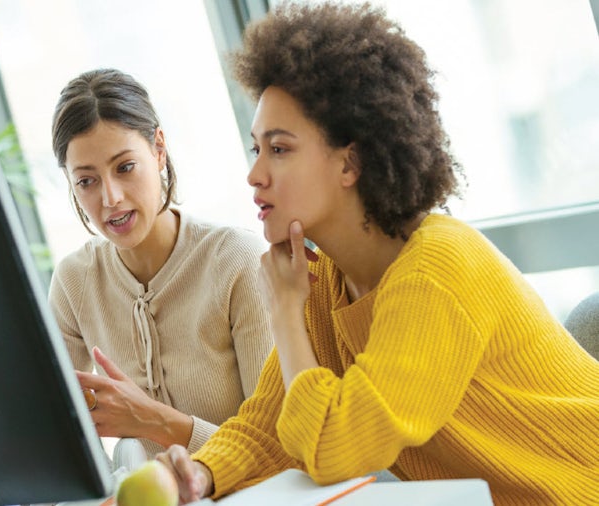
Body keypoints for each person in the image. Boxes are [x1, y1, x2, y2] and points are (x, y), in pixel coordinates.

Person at [155, 3, 599, 505]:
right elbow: (270, 429)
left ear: (351, 163)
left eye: (279, 149)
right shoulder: (324, 283)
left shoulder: (437, 270)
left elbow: (334, 449)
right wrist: (197, 474)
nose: (255, 175)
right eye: (256, 149)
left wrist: (282, 311)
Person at [48, 68, 274, 457]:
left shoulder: (238, 261)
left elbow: (274, 449)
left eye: (125, 167)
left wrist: (152, 420)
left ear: (158, 149)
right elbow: (53, 436)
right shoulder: (74, 281)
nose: (111, 198)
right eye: (87, 181)